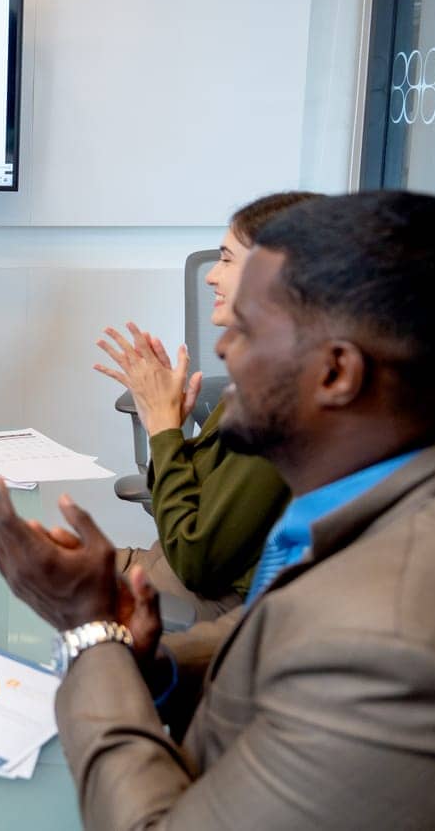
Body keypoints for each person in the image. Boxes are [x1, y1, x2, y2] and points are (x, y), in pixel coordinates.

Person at [0, 190, 435, 828]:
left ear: (337, 373)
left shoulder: (398, 645)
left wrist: (88, 632)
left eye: (248, 330)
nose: (224, 352)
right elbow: (277, 630)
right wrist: (149, 660)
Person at [93, 192, 319, 619]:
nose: (212, 276)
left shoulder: (281, 400)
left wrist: (163, 431)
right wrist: (169, 426)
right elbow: (195, 506)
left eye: (228, 260)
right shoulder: (255, 374)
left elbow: (196, 561)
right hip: (164, 568)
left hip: (198, 603)